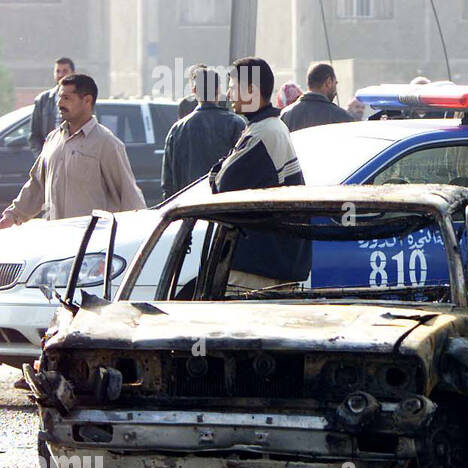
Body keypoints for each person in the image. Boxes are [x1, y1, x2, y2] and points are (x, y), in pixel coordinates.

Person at [209, 57, 310, 292]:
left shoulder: (264, 133)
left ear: (252, 91)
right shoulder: (267, 128)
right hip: (270, 266)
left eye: (233, 87)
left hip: (259, 271)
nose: (229, 94)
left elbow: (222, 184)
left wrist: (216, 172)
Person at [1, 73, 145, 227]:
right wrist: (12, 216)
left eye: (67, 98)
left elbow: (128, 195)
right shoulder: (53, 139)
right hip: (57, 238)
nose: (59, 104)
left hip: (92, 243)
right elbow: (37, 187)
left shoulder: (106, 143)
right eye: (59, 97)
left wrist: (138, 233)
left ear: (87, 100)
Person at [160, 64, 245, 198]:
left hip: (188, 210)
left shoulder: (176, 130)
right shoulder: (236, 124)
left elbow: (168, 184)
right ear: (218, 90)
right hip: (224, 210)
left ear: (194, 91)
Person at [281, 62, 353, 132]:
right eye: (335, 83)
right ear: (328, 82)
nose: (336, 92)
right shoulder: (342, 117)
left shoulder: (286, 115)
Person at [29, 57, 75, 151]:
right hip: (50, 156)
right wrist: (43, 157)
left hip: (73, 156)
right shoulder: (43, 100)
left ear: (73, 73)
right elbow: (34, 136)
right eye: (57, 71)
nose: (61, 75)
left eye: (65, 71)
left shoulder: (81, 98)